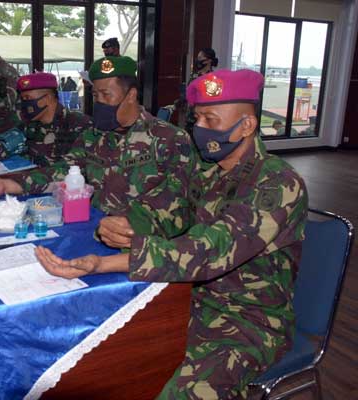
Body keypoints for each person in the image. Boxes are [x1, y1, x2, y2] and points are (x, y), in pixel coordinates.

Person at [35, 69, 308, 400]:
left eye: (212, 118)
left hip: (247, 320)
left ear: (247, 126)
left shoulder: (277, 184)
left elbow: (210, 250)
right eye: (197, 118)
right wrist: (130, 224)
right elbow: (172, 209)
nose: (201, 128)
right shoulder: (208, 172)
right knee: (103, 358)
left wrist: (104, 264)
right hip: (186, 296)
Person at [0, 56, 198, 239]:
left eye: (106, 95)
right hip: (92, 232)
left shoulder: (170, 139)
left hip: (142, 245)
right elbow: (62, 171)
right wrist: (7, 184)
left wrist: (135, 227)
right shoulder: (94, 136)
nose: (99, 102)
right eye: (95, 95)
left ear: (131, 95)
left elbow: (181, 207)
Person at [185, 48, 219, 132]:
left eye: (200, 58)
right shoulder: (194, 75)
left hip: (204, 120)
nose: (197, 60)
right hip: (190, 118)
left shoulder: (213, 78)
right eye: (197, 58)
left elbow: (212, 100)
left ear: (209, 61)